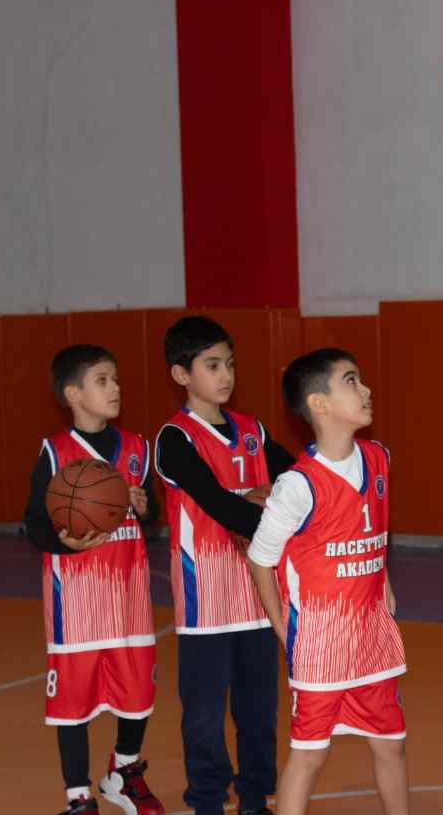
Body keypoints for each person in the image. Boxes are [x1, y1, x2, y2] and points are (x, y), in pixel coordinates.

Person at [246, 348, 409, 815]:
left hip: (373, 636)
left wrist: (385, 579)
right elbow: (261, 559)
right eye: (352, 381)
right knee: (310, 756)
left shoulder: (379, 459)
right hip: (320, 644)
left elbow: (373, 529)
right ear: (318, 403)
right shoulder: (298, 485)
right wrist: (282, 627)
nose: (367, 389)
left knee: (391, 746)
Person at [153, 316, 295, 815]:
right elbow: (213, 501)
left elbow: (299, 479)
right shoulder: (174, 440)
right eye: (212, 365)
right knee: (205, 716)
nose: (226, 375)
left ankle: (257, 797)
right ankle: (208, 800)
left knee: (260, 713)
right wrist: (263, 508)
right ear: (180, 375)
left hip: (259, 599)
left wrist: (267, 503)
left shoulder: (254, 430)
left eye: (230, 364)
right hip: (205, 604)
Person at [22, 344, 166, 815]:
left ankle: (123, 773)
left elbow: (152, 518)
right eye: (103, 380)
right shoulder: (54, 453)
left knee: (138, 695)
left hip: (128, 597)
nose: (116, 388)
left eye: (116, 379)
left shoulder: (138, 450)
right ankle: (78, 797)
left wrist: (146, 511)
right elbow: (35, 526)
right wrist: (69, 544)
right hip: (76, 604)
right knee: (73, 706)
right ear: (73, 394)